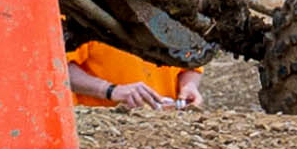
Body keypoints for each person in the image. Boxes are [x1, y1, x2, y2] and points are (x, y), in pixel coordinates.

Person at [67, 40, 203, 110]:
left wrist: (188, 85)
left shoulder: (172, 10)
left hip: (165, 124)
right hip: (104, 126)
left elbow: (191, 63)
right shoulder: (85, 8)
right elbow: (60, 67)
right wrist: (109, 90)